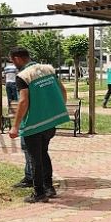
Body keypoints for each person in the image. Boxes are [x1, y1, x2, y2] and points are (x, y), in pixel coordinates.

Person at [8, 47, 70, 203]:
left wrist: (15, 126)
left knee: (35, 157)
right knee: (43, 153)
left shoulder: (23, 76)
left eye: (12, 61)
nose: (13, 64)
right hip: (50, 123)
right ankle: (49, 188)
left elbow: (23, 101)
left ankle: (39, 193)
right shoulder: (48, 69)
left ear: (17, 59)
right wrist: (58, 108)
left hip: (34, 125)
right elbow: (62, 91)